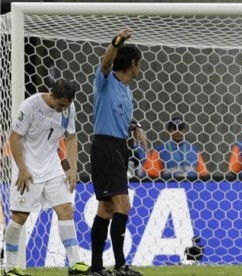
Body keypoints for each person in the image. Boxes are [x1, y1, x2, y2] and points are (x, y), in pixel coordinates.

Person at [5, 80, 89, 276]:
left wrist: (72, 168)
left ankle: (75, 263)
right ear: (51, 95)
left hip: (52, 167)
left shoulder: (69, 109)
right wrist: (22, 169)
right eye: (60, 105)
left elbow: (70, 137)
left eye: (66, 105)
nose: (62, 110)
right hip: (27, 168)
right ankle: (8, 267)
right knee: (19, 217)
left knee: (66, 209)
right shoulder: (31, 106)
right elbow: (14, 138)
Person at [89, 28, 145, 276]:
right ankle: (120, 265)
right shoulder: (105, 81)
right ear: (133, 64)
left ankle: (96, 268)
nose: (139, 68)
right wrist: (117, 41)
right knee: (123, 204)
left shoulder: (126, 90)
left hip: (119, 147)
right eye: (139, 64)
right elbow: (105, 62)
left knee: (107, 209)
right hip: (106, 147)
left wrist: (136, 126)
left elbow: (121, 115)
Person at [143, 116, 208, 179]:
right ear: (169, 131)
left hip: (192, 187)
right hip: (170, 188)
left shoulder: (194, 149)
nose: (178, 131)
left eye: (180, 128)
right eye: (175, 128)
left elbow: (203, 174)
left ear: (184, 130)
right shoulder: (160, 150)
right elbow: (153, 174)